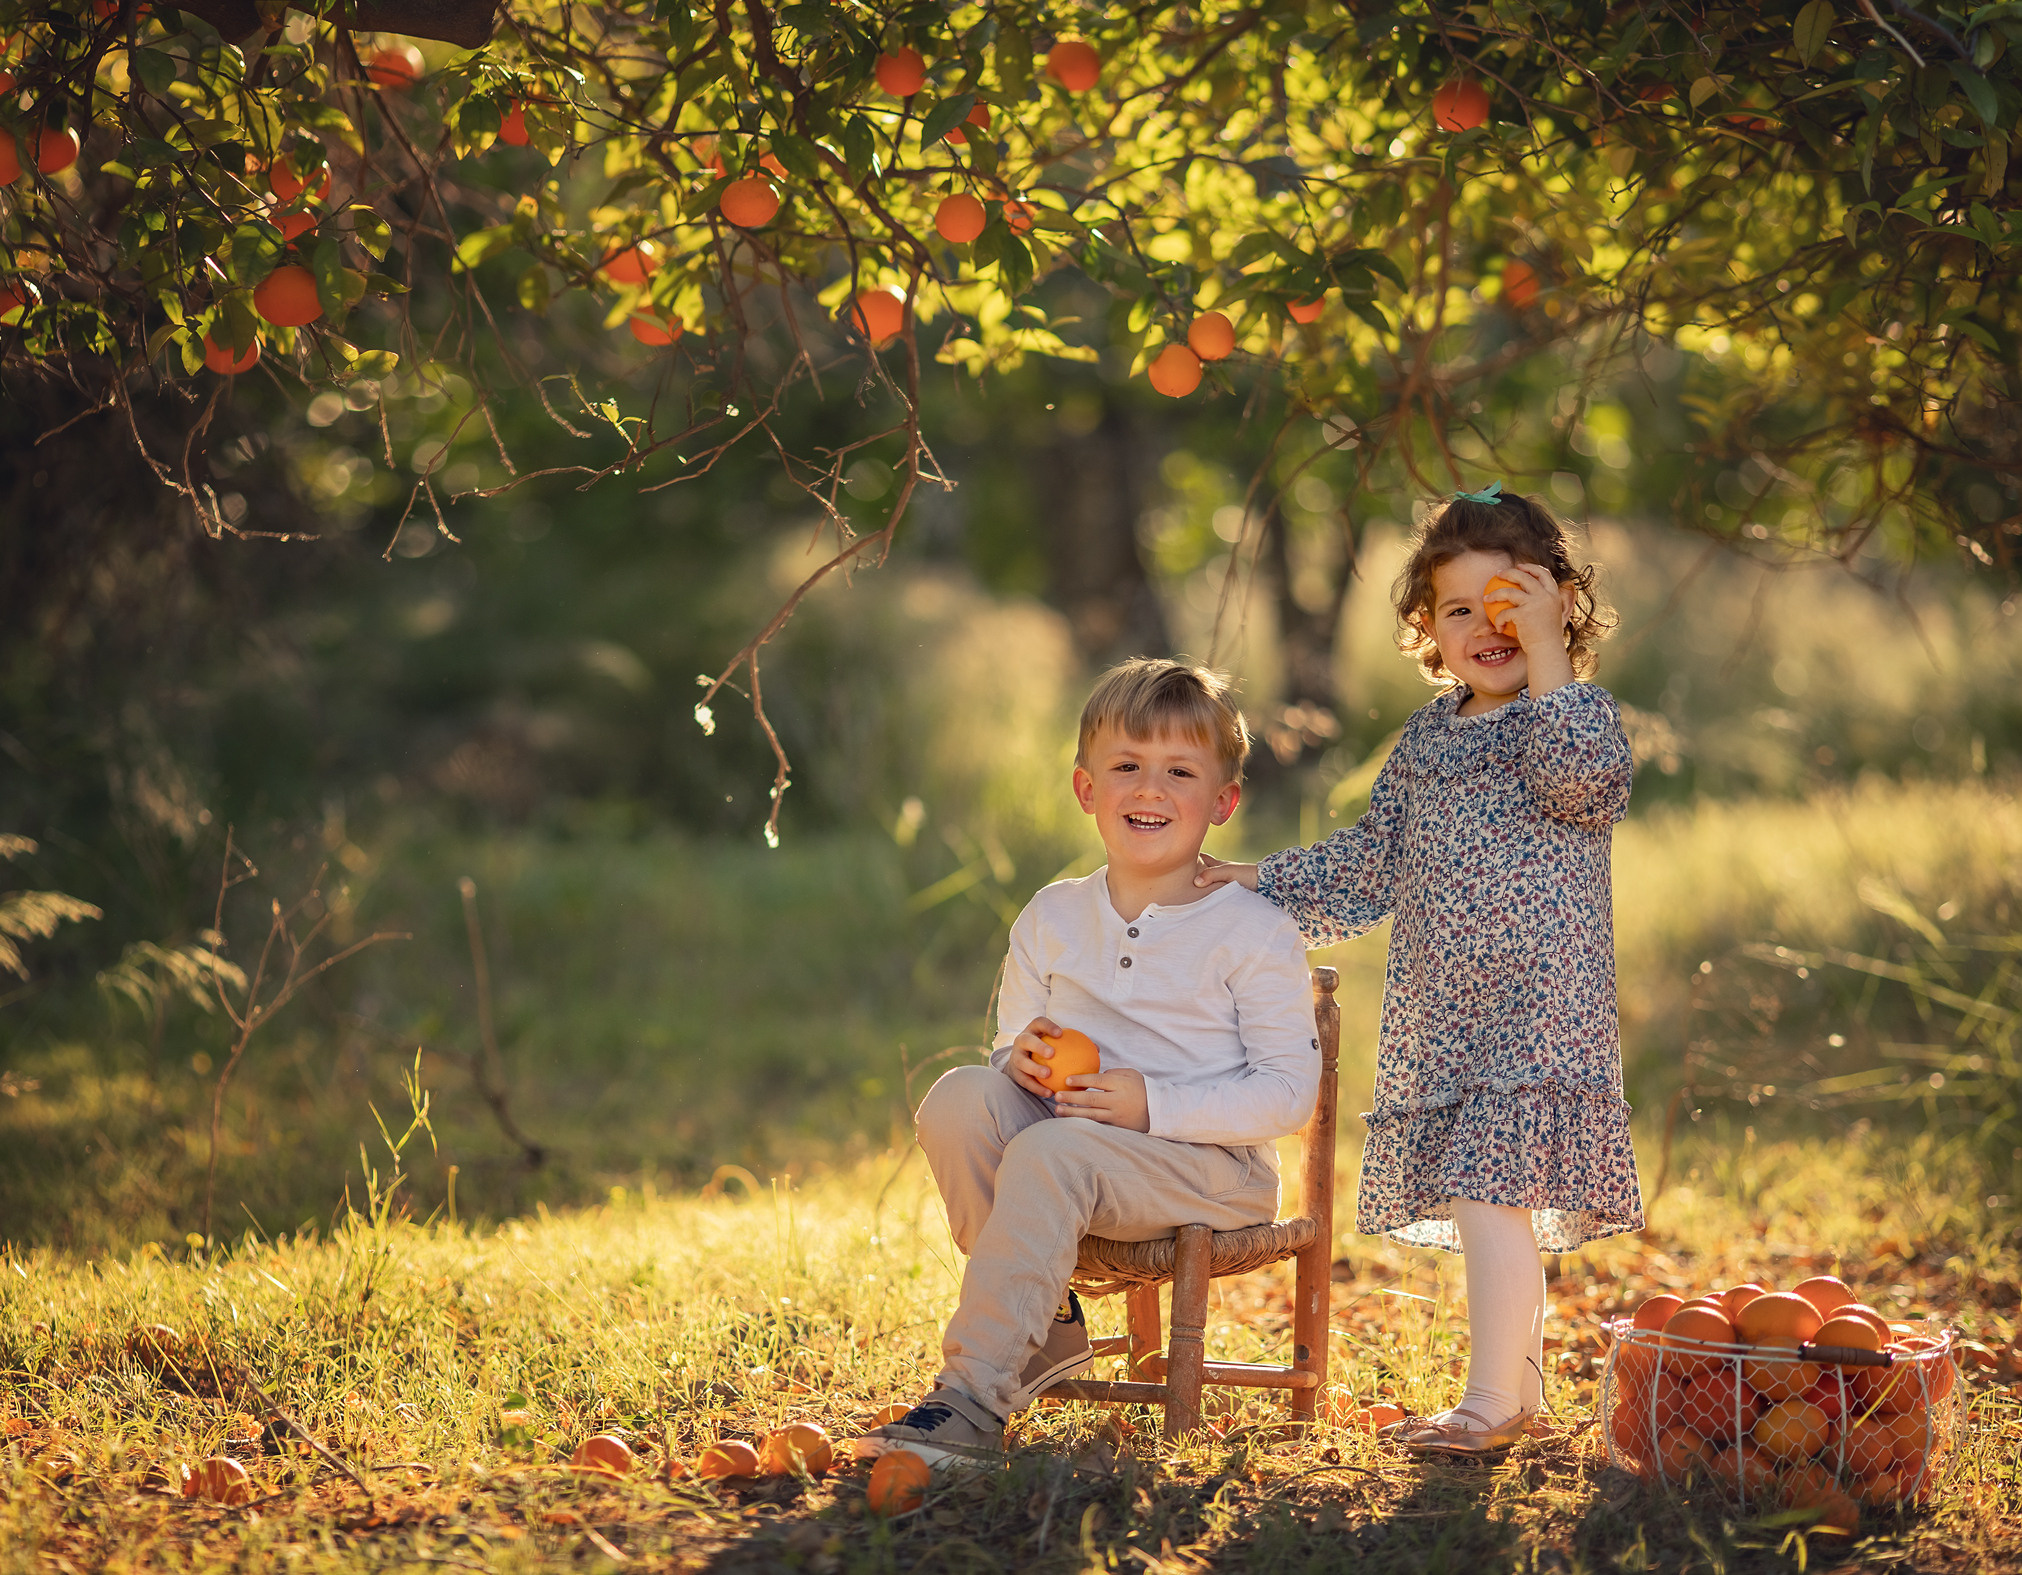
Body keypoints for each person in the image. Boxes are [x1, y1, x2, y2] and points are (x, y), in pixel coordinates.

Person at [1196, 482, 1644, 1457]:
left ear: (1561, 605)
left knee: (1488, 1187)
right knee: (1494, 1197)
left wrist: (1548, 657)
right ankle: (1518, 1395)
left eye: (1511, 604)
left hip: (1541, 1010)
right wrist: (1251, 880)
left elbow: (1584, 783)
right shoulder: (1429, 740)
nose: (1487, 627)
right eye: (1459, 609)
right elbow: (1371, 865)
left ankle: (1491, 1402)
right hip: (1447, 1018)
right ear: (1427, 628)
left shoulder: (1571, 716)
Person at [862, 659, 1320, 1466]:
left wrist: (1154, 1105)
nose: (1150, 789)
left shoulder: (1253, 930)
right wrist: (1020, 1059)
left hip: (1212, 1171)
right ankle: (1048, 1327)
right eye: (1127, 766)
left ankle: (971, 1396)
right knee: (959, 1098)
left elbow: (1289, 1095)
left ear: (1223, 801)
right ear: (1086, 788)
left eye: (1179, 772)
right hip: (1072, 1146)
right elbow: (1010, 1042)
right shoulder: (1053, 913)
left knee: (1052, 1149)